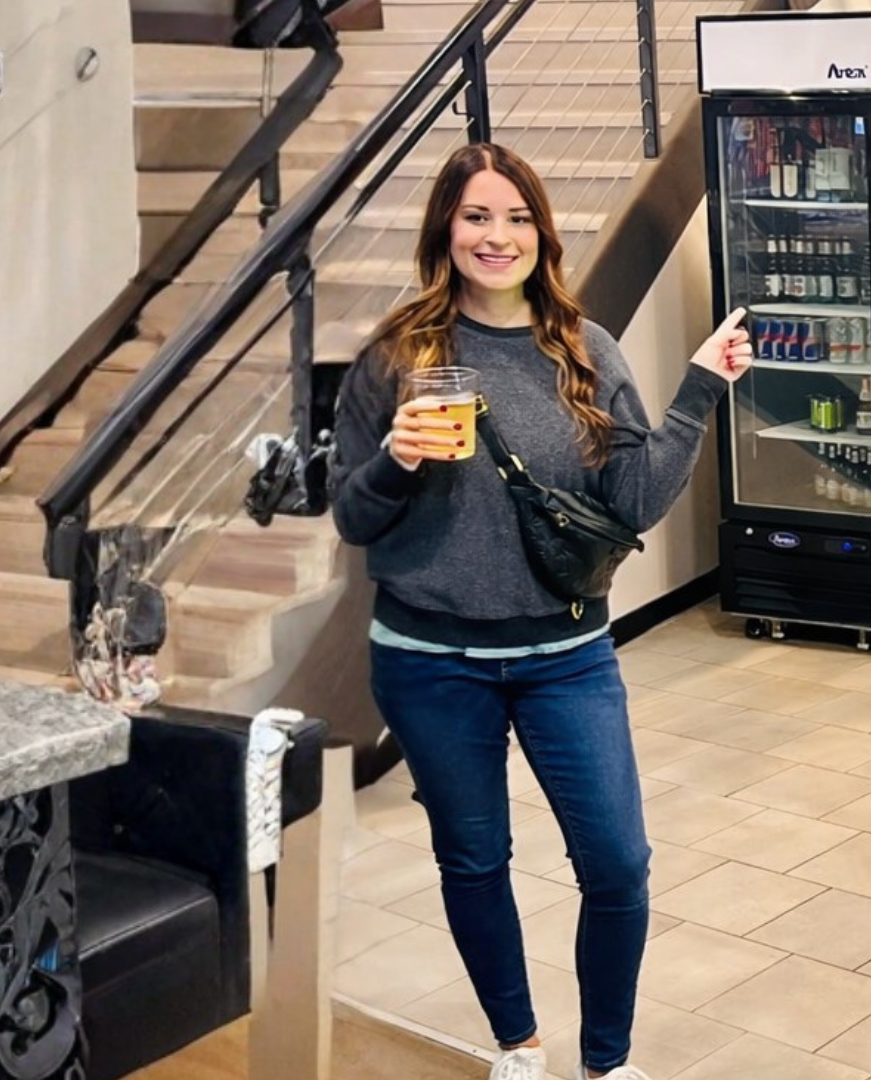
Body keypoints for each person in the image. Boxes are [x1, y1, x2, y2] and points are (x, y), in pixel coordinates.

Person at [329, 143, 752, 1080]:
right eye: (478, 216)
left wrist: (698, 391)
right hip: (428, 659)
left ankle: (607, 1062)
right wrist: (396, 459)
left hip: (567, 654)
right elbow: (352, 519)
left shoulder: (584, 349)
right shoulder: (396, 358)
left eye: (518, 218)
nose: (499, 236)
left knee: (618, 863)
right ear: (446, 228)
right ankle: (517, 1046)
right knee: (474, 859)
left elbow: (633, 499)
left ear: (542, 234)